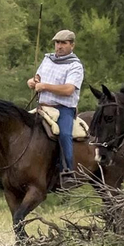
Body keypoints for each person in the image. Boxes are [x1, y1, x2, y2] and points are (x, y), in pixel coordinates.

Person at [27, 29, 84, 183]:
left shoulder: (75, 66)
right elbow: (38, 77)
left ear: (72, 45)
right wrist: (33, 82)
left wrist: (45, 86)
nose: (59, 46)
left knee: (65, 134)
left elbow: (68, 89)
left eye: (63, 43)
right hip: (43, 106)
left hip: (63, 109)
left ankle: (68, 171)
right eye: (57, 43)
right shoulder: (48, 59)